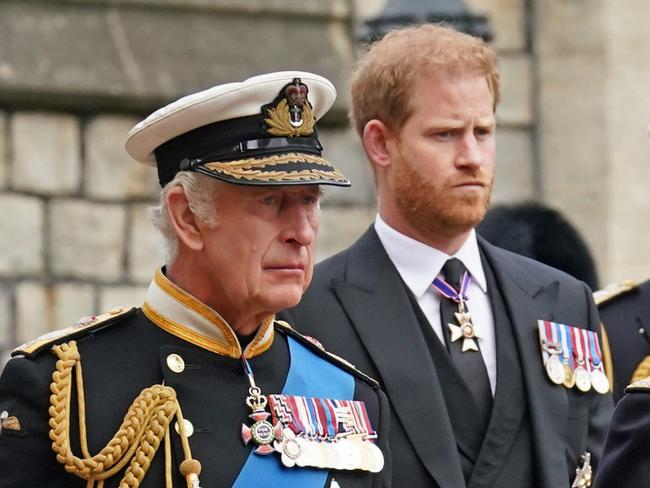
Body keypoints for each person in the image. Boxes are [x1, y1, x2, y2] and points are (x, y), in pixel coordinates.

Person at [0, 72, 390, 487]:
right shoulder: (66, 386)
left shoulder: (348, 393)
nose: (304, 232)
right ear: (187, 217)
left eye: (309, 201)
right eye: (270, 200)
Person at [284, 25, 613, 488]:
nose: (472, 156)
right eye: (445, 134)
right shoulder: (304, 315)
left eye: (483, 131)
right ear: (380, 143)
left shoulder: (563, 302)